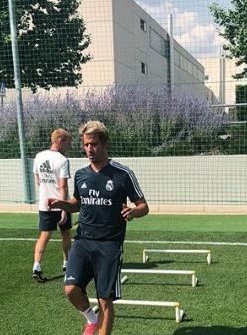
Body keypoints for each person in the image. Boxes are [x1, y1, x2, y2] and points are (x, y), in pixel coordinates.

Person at [48, 120, 149, 335]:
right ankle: (91, 319)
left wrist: (133, 211)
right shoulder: (82, 175)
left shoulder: (123, 174)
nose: (88, 149)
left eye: (93, 144)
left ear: (104, 144)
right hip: (83, 241)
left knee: (104, 300)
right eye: (85, 145)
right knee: (71, 289)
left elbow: (144, 206)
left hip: (110, 245)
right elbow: (77, 204)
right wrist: (61, 204)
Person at [32, 128, 73, 283]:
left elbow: (37, 178)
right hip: (60, 203)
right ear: (60, 140)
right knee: (66, 233)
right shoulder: (62, 160)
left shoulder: (39, 156)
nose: (68, 146)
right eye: (68, 142)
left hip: (45, 204)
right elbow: (63, 186)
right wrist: (63, 208)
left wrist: (46, 186)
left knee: (44, 235)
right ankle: (67, 264)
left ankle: (36, 266)